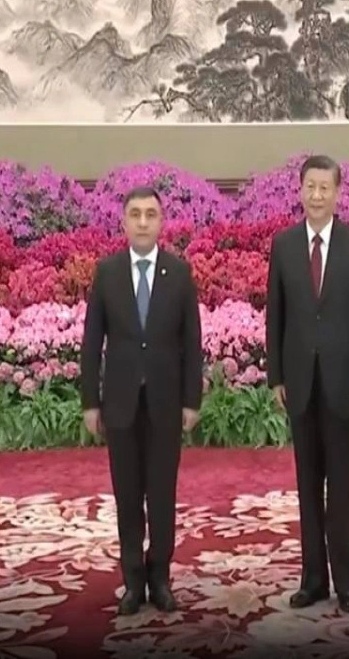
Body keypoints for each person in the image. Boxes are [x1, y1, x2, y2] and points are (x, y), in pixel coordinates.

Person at [266, 154, 349, 614]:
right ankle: (313, 579)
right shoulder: (283, 246)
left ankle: (347, 584)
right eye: (309, 187)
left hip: (343, 384)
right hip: (299, 384)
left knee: (343, 486)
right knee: (308, 484)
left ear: (337, 193)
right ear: (300, 191)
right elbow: (275, 316)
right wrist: (276, 375)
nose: (316, 195)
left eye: (324, 188)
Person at [79, 186, 203, 616]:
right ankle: (132, 581)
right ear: (124, 221)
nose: (144, 222)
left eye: (151, 214)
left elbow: (192, 343)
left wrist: (192, 401)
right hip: (120, 403)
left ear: (162, 221)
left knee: (162, 494)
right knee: (128, 495)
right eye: (136, 214)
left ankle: (160, 578)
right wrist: (90, 402)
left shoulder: (179, 273)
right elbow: (92, 341)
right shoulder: (108, 273)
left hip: (167, 404)